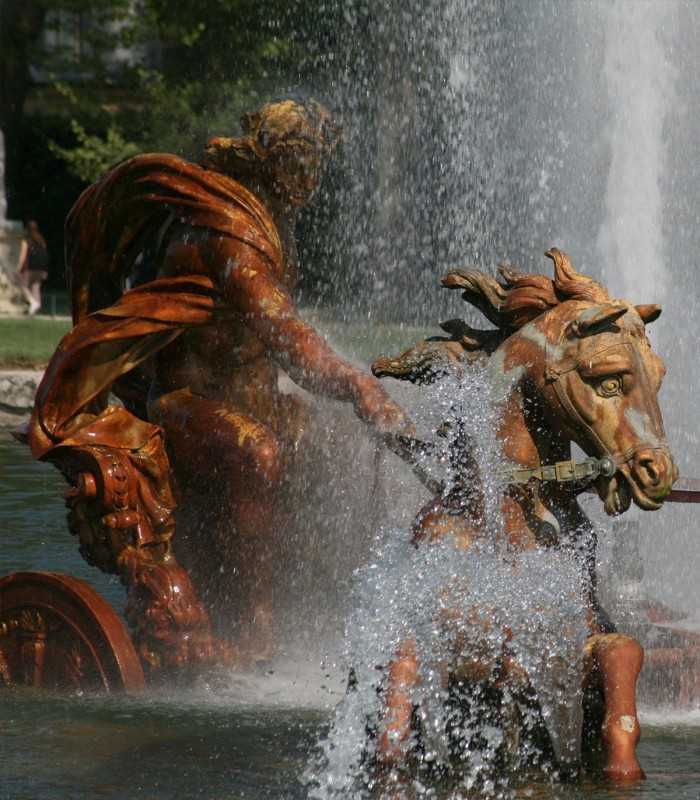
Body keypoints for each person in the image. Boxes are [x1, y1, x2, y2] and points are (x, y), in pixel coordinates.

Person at [26, 99, 412, 667]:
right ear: (264, 161)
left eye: (313, 162)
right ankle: (255, 626)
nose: (308, 177)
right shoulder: (230, 236)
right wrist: (356, 384)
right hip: (190, 404)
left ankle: (331, 604)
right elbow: (291, 341)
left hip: (257, 397)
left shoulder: (270, 222)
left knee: (343, 445)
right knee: (255, 452)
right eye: (296, 160)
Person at [16, 220, 49, 314]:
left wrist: (19, 268)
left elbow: (23, 255)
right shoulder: (41, 240)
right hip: (41, 268)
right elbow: (45, 254)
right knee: (36, 287)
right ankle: (37, 306)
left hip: (30, 267)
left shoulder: (26, 240)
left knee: (22, 286)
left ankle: (32, 302)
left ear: (27, 229)